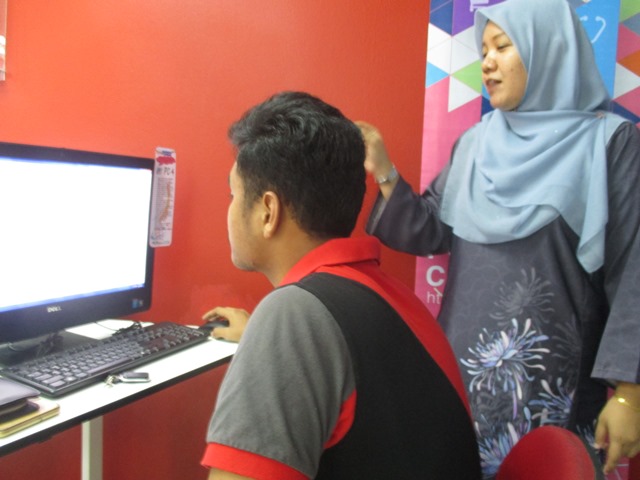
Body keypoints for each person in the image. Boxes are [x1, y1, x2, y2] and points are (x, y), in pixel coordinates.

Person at [359, 0, 640, 477]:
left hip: (553, 392)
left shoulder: (611, 143)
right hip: (461, 379)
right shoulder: (475, 143)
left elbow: (634, 270)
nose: (486, 62)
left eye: (503, 46)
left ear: (549, 49)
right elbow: (432, 229)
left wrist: (630, 394)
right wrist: (383, 169)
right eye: (483, 50)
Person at [200, 91, 482, 479]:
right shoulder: (393, 297)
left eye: (233, 194)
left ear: (268, 211)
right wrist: (263, 340)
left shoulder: (293, 315)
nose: (230, 208)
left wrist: (274, 337)